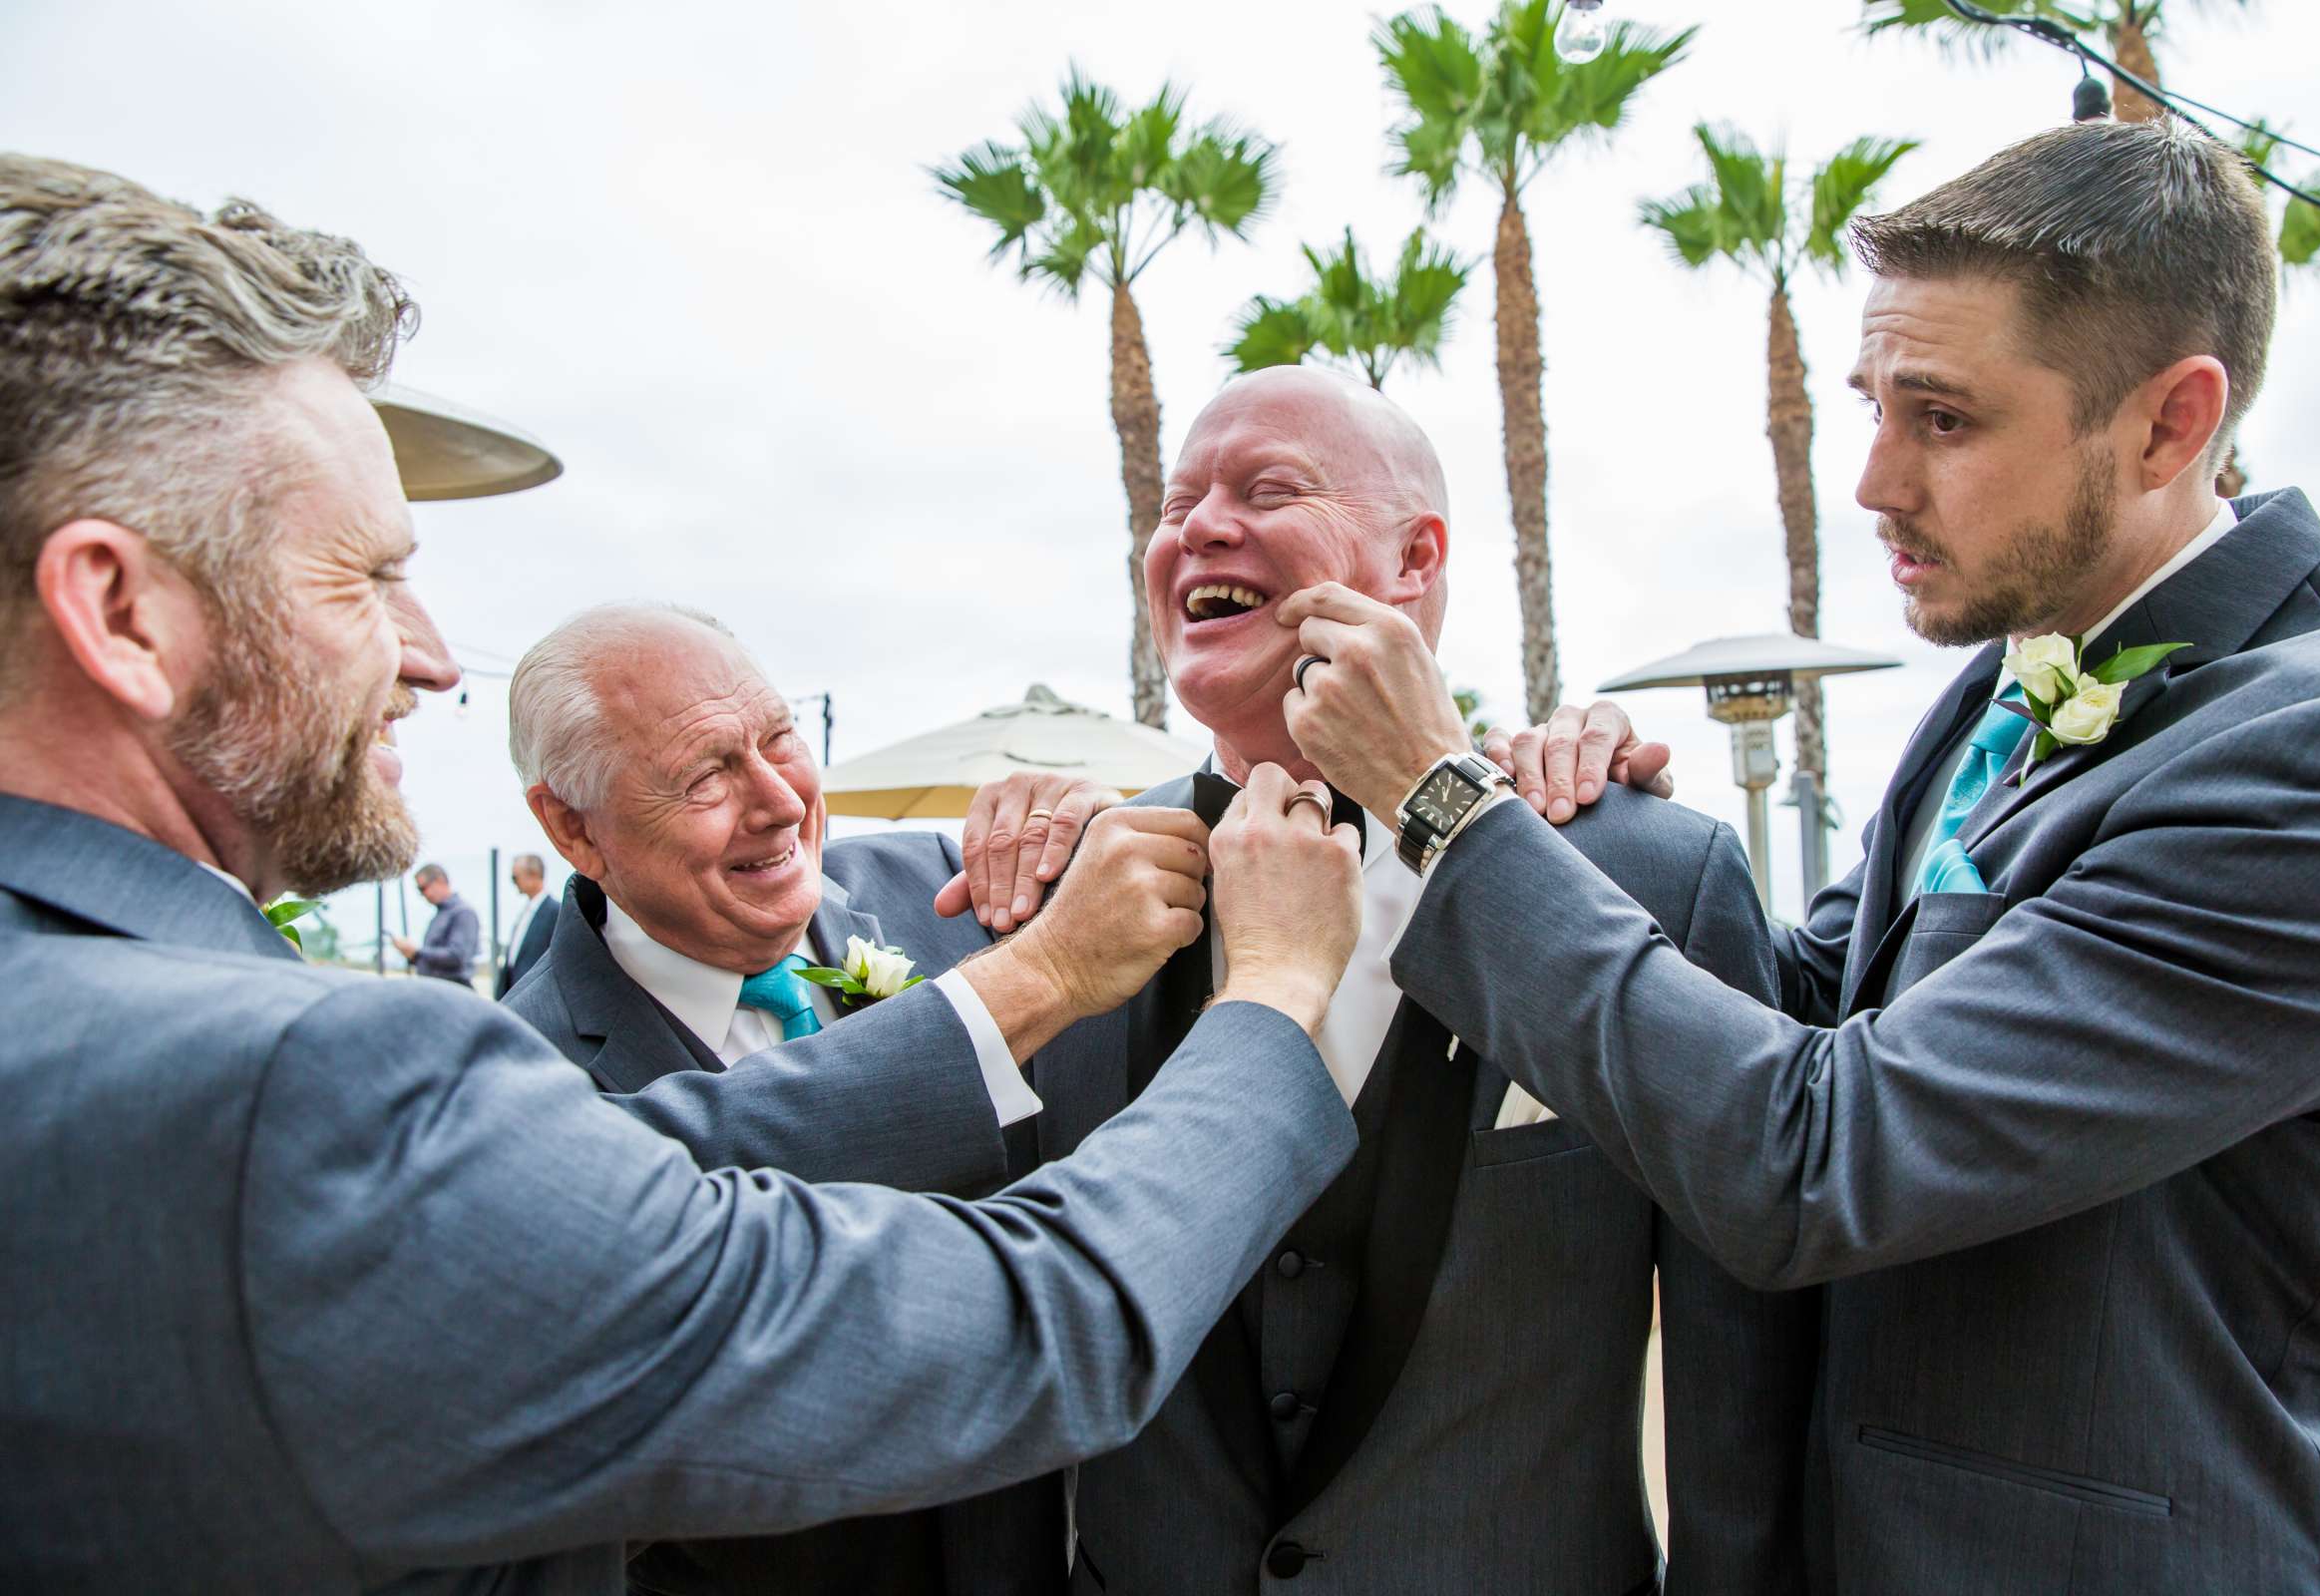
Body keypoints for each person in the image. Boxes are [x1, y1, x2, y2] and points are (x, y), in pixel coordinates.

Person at [0, 154, 1368, 1594]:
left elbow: (664, 1172)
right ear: (119, 610)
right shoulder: (306, 1098)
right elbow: (1041, 1322)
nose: (424, 654)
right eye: (360, 576)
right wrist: (1273, 993)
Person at [1282, 120, 2320, 1595]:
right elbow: (1813, 1000)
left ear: (2171, 423)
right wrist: (1612, 829)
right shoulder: (2011, 670)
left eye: (1942, 419)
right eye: (1873, 403)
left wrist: (1440, 806)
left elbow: (1828, 1153)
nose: (1871, 480)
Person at [965, 365, 1813, 1596]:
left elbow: (1742, 1378)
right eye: (1177, 502)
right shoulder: (1062, 890)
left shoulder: (1648, 872)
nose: (1199, 526)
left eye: (1269, 489)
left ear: (1415, 558)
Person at [503, 600, 1110, 1596]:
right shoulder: (525, 1082)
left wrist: (1093, 824)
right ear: (572, 825)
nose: (779, 800)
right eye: (704, 773)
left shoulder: (952, 887)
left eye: (779, 738)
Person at [391, 860, 478, 986]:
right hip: (438, 988)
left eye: (423, 888)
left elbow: (457, 956)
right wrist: (413, 955)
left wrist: (417, 952)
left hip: (453, 989)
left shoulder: (463, 913)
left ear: (440, 880)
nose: (423, 895)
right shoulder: (441, 914)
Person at [495, 851, 558, 997]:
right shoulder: (525, 913)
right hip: (515, 992)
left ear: (533, 875)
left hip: (535, 995)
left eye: (515, 877)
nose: (514, 883)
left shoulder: (554, 911)